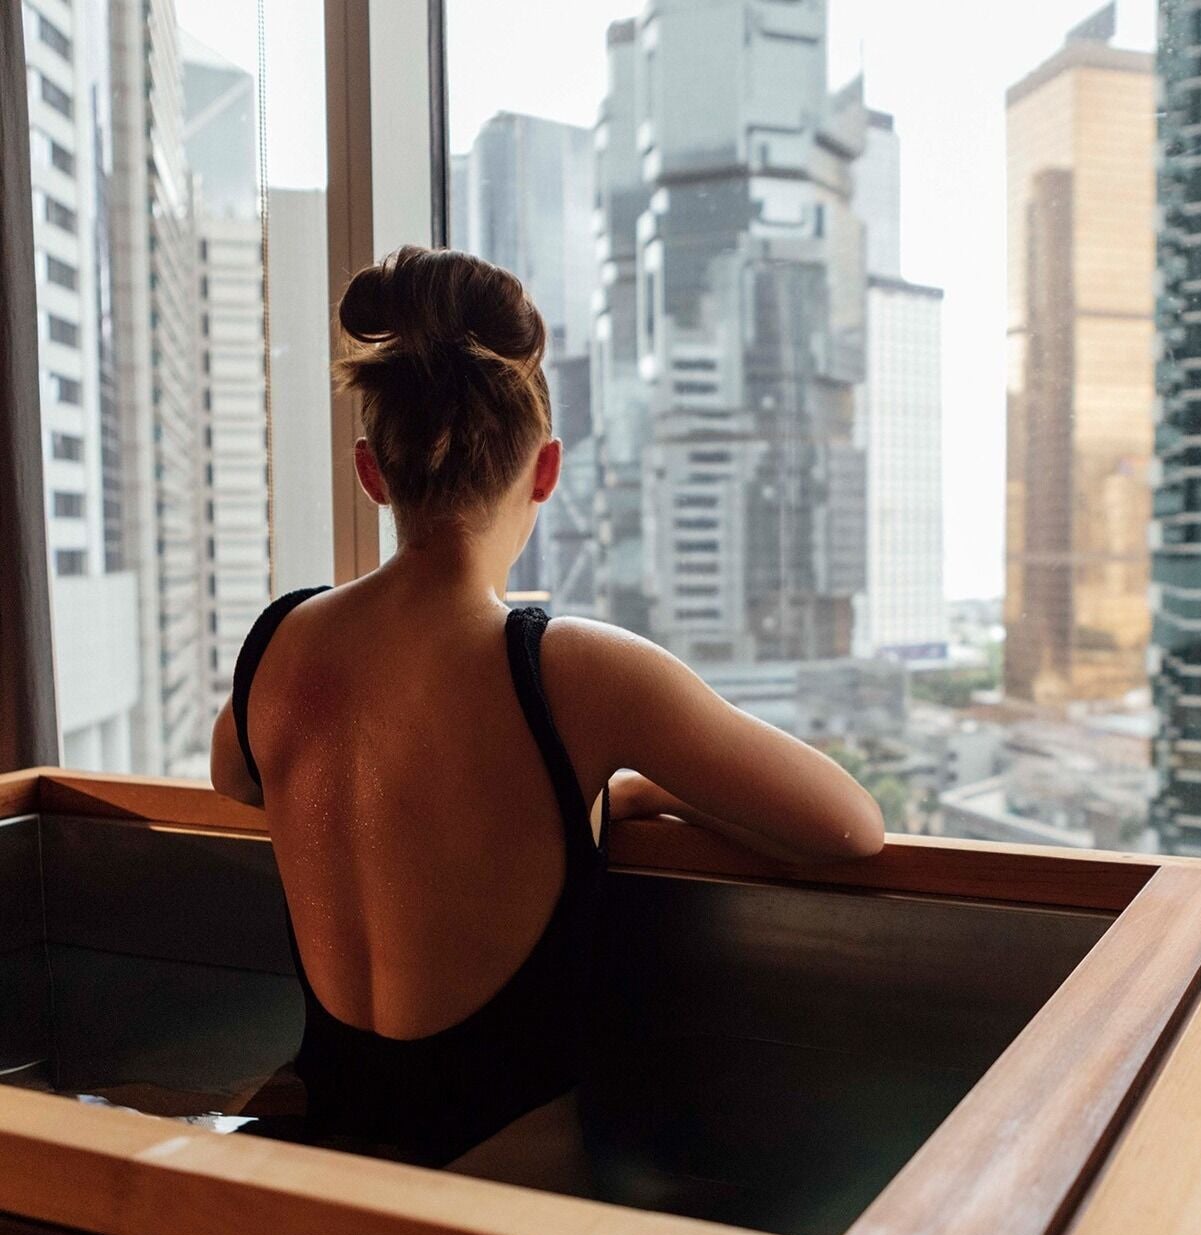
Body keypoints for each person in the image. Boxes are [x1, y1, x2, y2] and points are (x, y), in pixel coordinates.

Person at [209, 244, 884, 1169]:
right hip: (491, 1192)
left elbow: (237, 778)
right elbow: (846, 827)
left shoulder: (279, 644)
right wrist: (630, 791)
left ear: (373, 473)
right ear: (546, 470)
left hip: (321, 1170)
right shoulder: (570, 669)